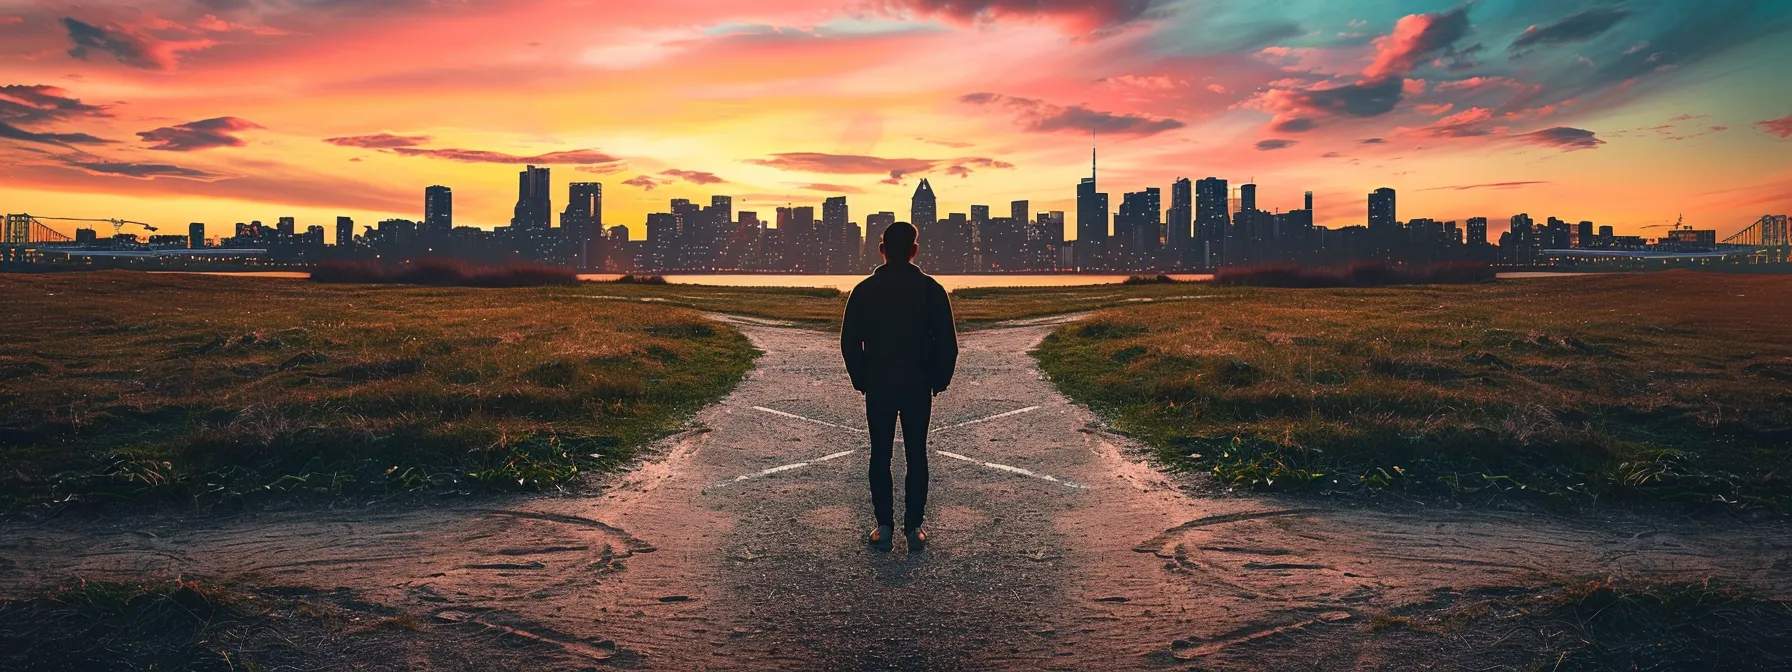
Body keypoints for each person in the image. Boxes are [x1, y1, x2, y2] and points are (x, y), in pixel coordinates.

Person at [840, 221, 957, 550]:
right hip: (918, 383)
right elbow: (948, 343)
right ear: (914, 251)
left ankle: (884, 526)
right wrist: (940, 379)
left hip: (878, 383)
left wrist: (860, 378)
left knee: (880, 455)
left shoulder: (863, 291)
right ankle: (914, 527)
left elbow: (849, 342)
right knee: (917, 454)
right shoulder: (931, 290)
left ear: (882, 250)